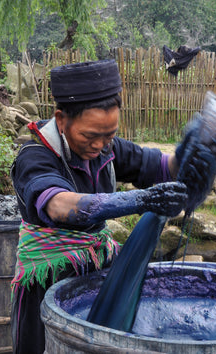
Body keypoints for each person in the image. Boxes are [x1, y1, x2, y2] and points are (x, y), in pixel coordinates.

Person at [10, 59, 191, 354]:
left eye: (110, 135)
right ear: (61, 120)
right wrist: (139, 200)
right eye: (91, 136)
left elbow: (162, 167)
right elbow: (57, 205)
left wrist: (192, 153)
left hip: (95, 275)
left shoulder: (107, 148)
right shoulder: (35, 156)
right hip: (45, 284)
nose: (102, 145)